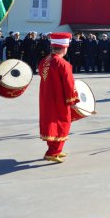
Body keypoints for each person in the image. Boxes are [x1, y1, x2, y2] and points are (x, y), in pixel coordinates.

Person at [38, 33, 79, 163]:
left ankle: (56, 150)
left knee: (51, 123)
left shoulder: (45, 60)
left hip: (46, 97)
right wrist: (73, 100)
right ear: (64, 47)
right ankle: (52, 153)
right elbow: (69, 84)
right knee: (61, 124)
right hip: (59, 99)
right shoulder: (63, 63)